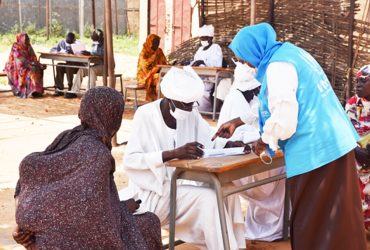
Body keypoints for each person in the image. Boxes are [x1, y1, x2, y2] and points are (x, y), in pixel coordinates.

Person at [213, 23, 367, 250]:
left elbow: (284, 117)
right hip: (333, 144)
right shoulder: (291, 53)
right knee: (337, 219)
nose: (248, 66)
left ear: (256, 51)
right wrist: (239, 121)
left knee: (312, 220)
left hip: (317, 150)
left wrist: (265, 139)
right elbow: (285, 101)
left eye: (246, 60)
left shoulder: (277, 66)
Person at [12, 87, 164, 250]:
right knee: (149, 223)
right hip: (65, 237)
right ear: (113, 117)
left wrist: (22, 222)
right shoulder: (99, 153)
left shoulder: (68, 136)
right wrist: (123, 209)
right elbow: (95, 218)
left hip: (38, 231)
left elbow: (75, 199)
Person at [122, 66, 248, 250]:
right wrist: (171, 155)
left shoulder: (190, 111)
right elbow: (131, 161)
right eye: (185, 104)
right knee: (209, 197)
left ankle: (232, 246)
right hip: (154, 193)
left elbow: (209, 139)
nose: (190, 109)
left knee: (227, 189)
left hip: (182, 185)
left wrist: (228, 144)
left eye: (193, 103)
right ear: (169, 98)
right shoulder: (146, 115)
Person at [218, 61, 287, 241]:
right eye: (255, 89)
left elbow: (262, 118)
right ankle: (267, 229)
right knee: (276, 173)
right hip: (239, 161)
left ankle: (276, 227)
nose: (258, 92)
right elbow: (240, 137)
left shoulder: (254, 98)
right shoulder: (235, 99)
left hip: (259, 153)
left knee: (284, 170)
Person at [345, 64, 370, 231]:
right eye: (356, 82)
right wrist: (356, 151)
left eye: (363, 81)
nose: (358, 85)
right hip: (356, 154)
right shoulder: (352, 103)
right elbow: (345, 133)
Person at [181, 24, 226, 112]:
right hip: (199, 76)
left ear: (210, 38)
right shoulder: (200, 49)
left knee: (200, 90)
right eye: (201, 38)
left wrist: (203, 62)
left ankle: (205, 111)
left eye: (205, 38)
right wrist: (188, 63)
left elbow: (217, 63)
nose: (203, 40)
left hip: (210, 78)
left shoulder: (215, 48)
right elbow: (195, 62)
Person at [3, 33, 46, 98]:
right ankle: (30, 90)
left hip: (28, 64)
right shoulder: (16, 46)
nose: (27, 41)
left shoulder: (28, 46)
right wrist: (29, 64)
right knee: (30, 71)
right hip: (15, 66)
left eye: (28, 39)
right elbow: (18, 59)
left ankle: (37, 91)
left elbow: (33, 57)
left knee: (38, 69)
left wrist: (38, 64)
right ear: (21, 39)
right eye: (26, 39)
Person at [65, 29, 104, 99]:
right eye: (93, 39)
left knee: (92, 70)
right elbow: (92, 53)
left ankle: (90, 93)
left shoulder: (106, 43)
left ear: (99, 37)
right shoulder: (95, 43)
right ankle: (73, 91)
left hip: (105, 66)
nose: (94, 41)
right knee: (81, 70)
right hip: (96, 65)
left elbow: (103, 54)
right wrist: (87, 53)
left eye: (95, 39)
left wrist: (90, 53)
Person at [137, 34, 167, 102]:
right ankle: (160, 102)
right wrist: (157, 69)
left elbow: (164, 63)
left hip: (157, 74)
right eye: (154, 43)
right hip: (146, 76)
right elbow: (146, 67)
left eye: (158, 43)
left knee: (167, 77)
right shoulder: (144, 53)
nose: (157, 44)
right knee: (161, 80)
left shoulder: (159, 51)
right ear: (149, 42)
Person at [50, 32, 81, 97]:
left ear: (73, 40)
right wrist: (59, 52)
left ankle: (70, 88)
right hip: (68, 64)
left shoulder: (78, 44)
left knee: (69, 66)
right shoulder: (62, 42)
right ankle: (59, 89)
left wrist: (73, 52)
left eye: (70, 43)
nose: (68, 44)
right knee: (59, 66)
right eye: (67, 42)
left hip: (77, 65)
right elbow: (52, 50)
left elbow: (82, 54)